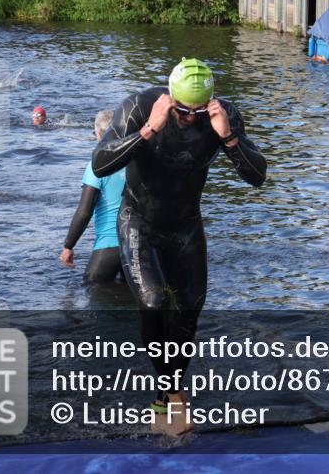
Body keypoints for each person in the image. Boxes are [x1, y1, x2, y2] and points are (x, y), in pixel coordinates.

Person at [92, 58, 266, 435]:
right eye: (182, 110)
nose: (189, 117)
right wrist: (148, 130)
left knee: (189, 311)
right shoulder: (139, 107)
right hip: (139, 220)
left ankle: (166, 394)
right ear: (170, 98)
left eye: (198, 111)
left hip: (185, 224)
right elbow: (100, 163)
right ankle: (172, 396)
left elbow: (257, 176)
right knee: (154, 301)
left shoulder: (224, 115)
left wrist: (228, 138)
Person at [60, 110, 125, 284]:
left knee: (92, 288)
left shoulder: (97, 166)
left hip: (110, 244)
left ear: (99, 135)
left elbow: (84, 211)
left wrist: (68, 246)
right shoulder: (136, 161)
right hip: (139, 244)